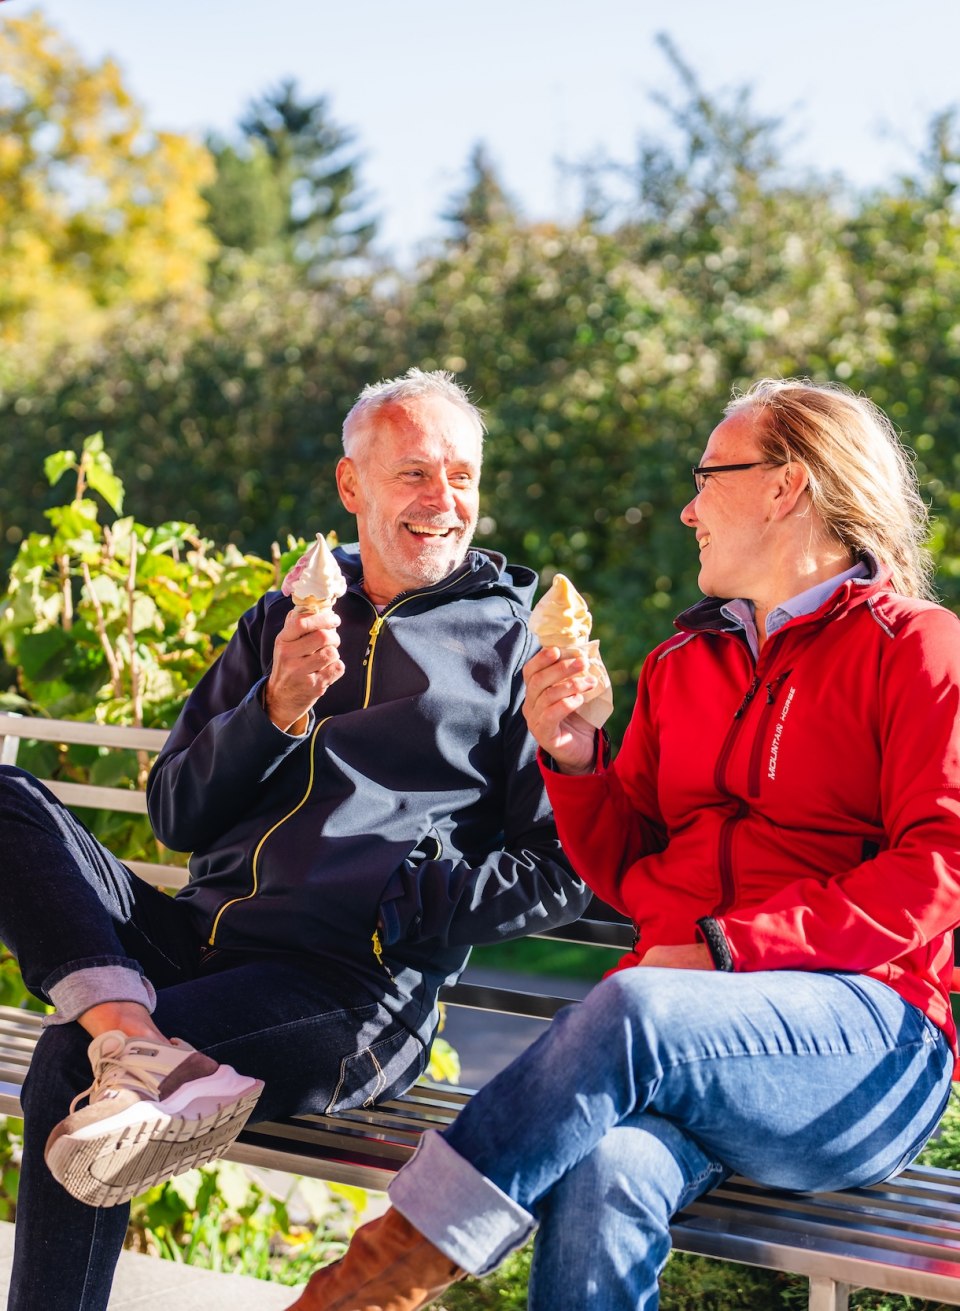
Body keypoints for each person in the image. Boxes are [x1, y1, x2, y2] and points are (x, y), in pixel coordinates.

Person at [288, 377, 960, 1311]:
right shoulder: (684, 664)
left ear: (785, 487)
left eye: (706, 475)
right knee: (604, 1166)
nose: (687, 507)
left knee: (634, 1001)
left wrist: (733, 947)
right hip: (686, 1045)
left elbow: (941, 869)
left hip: (861, 1042)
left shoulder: (919, 648)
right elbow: (626, 863)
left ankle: (370, 1282)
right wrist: (572, 756)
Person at [0, 367, 591, 1311]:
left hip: (349, 990)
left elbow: (566, 865)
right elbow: (176, 815)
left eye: (464, 477)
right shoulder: (284, 616)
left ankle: (123, 1040)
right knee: (6, 797)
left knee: (73, 1062)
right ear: (352, 487)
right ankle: (133, 1032)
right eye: (415, 475)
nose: (445, 502)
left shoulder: (518, 647)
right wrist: (273, 709)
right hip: (195, 944)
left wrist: (407, 904)